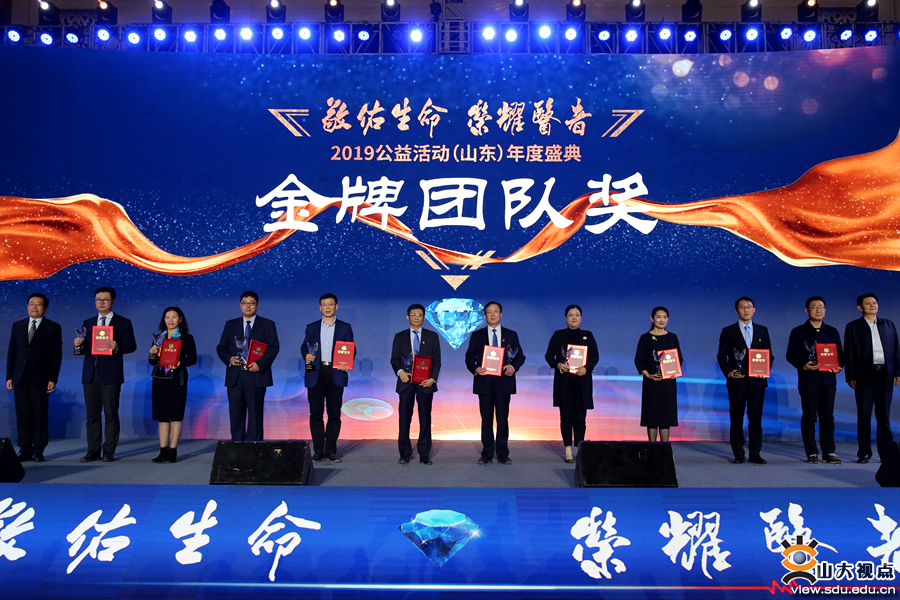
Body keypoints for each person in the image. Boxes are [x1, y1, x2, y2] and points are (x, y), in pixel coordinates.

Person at [74, 286, 137, 462]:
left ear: (113, 301)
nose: (101, 302)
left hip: (110, 374)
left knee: (110, 414)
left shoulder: (123, 322)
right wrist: (78, 345)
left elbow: (131, 345)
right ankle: (93, 450)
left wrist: (117, 346)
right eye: (98, 299)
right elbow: (85, 349)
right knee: (92, 415)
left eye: (105, 299)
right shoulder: (88, 322)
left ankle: (109, 450)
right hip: (90, 373)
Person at [464, 301, 526, 465]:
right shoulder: (477, 335)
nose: (492, 314)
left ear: (501, 314)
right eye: (489, 312)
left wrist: (512, 367)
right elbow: (469, 356)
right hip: (484, 381)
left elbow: (520, 356)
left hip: (504, 382)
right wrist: (475, 369)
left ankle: (503, 454)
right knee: (486, 420)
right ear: (485, 315)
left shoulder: (511, 335)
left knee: (502, 419)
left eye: (496, 311)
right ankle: (487, 453)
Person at [786, 296, 844, 464]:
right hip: (809, 380)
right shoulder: (798, 331)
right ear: (807, 311)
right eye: (814, 307)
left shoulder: (832, 331)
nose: (818, 310)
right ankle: (811, 452)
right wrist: (802, 365)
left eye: (821, 307)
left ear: (825, 310)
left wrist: (839, 366)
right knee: (809, 415)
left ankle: (829, 451)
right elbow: (791, 355)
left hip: (828, 380)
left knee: (828, 416)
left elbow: (840, 354)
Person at [216, 291, 279, 442]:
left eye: (251, 303)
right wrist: (230, 358)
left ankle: (254, 448)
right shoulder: (231, 324)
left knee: (255, 415)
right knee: (236, 414)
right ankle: (237, 446)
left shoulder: (267, 324)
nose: (248, 306)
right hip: (236, 376)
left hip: (256, 374)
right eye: (244, 303)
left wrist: (260, 364)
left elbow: (274, 348)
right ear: (240, 305)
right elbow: (221, 348)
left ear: (257, 305)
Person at [5, 293, 62, 462]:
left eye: (38, 304)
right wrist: (9, 376)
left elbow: (56, 355)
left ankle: (38, 449)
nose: (34, 307)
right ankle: (24, 449)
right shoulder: (18, 325)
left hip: (41, 378)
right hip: (20, 377)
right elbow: (12, 352)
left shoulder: (53, 327)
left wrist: (53, 378)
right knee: (22, 415)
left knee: (39, 415)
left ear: (46, 308)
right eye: (31, 303)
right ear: (27, 306)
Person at [716, 296, 773, 465]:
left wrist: (764, 370)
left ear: (754, 309)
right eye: (742, 307)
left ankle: (755, 453)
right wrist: (729, 372)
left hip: (757, 382)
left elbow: (769, 355)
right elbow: (721, 356)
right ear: (736, 310)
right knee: (736, 419)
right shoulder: (728, 331)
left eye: (749, 306)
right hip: (737, 382)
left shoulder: (762, 330)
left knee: (756, 419)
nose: (746, 310)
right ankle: (738, 453)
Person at [844, 293, 900, 464]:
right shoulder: (853, 327)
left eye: (874, 302)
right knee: (864, 416)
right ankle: (864, 453)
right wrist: (851, 375)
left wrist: (897, 372)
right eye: (868, 303)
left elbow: (896, 350)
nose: (872, 305)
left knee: (884, 417)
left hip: (885, 375)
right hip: (864, 376)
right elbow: (849, 352)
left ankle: (886, 453)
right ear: (860, 308)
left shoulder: (888, 325)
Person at [301, 293, 354, 463]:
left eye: (331, 304)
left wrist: (347, 363)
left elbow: (351, 349)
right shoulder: (311, 327)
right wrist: (306, 355)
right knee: (315, 414)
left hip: (335, 372)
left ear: (336, 306)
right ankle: (318, 451)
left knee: (334, 414)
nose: (328, 307)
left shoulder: (345, 327)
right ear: (320, 307)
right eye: (324, 304)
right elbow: (305, 347)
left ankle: (331, 451)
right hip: (315, 372)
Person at [544, 304, 599, 463]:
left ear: (581, 318)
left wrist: (586, 368)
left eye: (577, 315)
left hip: (582, 381)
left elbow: (594, 356)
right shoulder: (558, 335)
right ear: (566, 318)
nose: (574, 317)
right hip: (565, 382)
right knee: (566, 416)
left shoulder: (588, 335)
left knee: (580, 417)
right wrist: (558, 365)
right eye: (570, 315)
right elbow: (549, 356)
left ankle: (579, 447)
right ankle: (568, 448)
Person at [390, 303, 442, 465]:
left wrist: (433, 378)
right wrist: (400, 372)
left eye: (420, 315)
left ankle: (424, 454)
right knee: (404, 419)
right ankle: (404, 454)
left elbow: (437, 361)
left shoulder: (432, 336)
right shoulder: (400, 336)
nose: (416, 317)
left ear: (424, 318)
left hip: (425, 383)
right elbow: (394, 359)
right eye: (413, 315)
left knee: (425, 419)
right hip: (406, 382)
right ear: (408, 317)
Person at [148, 307, 197, 464]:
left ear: (180, 319)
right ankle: (162, 451)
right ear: (164, 319)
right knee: (162, 417)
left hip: (177, 378)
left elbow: (193, 358)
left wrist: (180, 363)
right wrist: (152, 353)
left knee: (176, 415)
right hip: (160, 378)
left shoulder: (186, 337)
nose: (170, 320)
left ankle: (172, 450)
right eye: (167, 317)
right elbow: (152, 362)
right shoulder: (159, 338)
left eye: (174, 317)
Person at [633, 306, 683, 442]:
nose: (662, 320)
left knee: (666, 416)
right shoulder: (645, 338)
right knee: (652, 416)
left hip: (668, 383)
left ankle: (665, 447)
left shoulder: (672, 337)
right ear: (652, 318)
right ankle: (652, 447)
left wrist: (675, 373)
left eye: (665, 317)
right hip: (651, 383)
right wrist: (648, 375)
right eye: (659, 317)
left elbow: (679, 358)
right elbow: (639, 360)